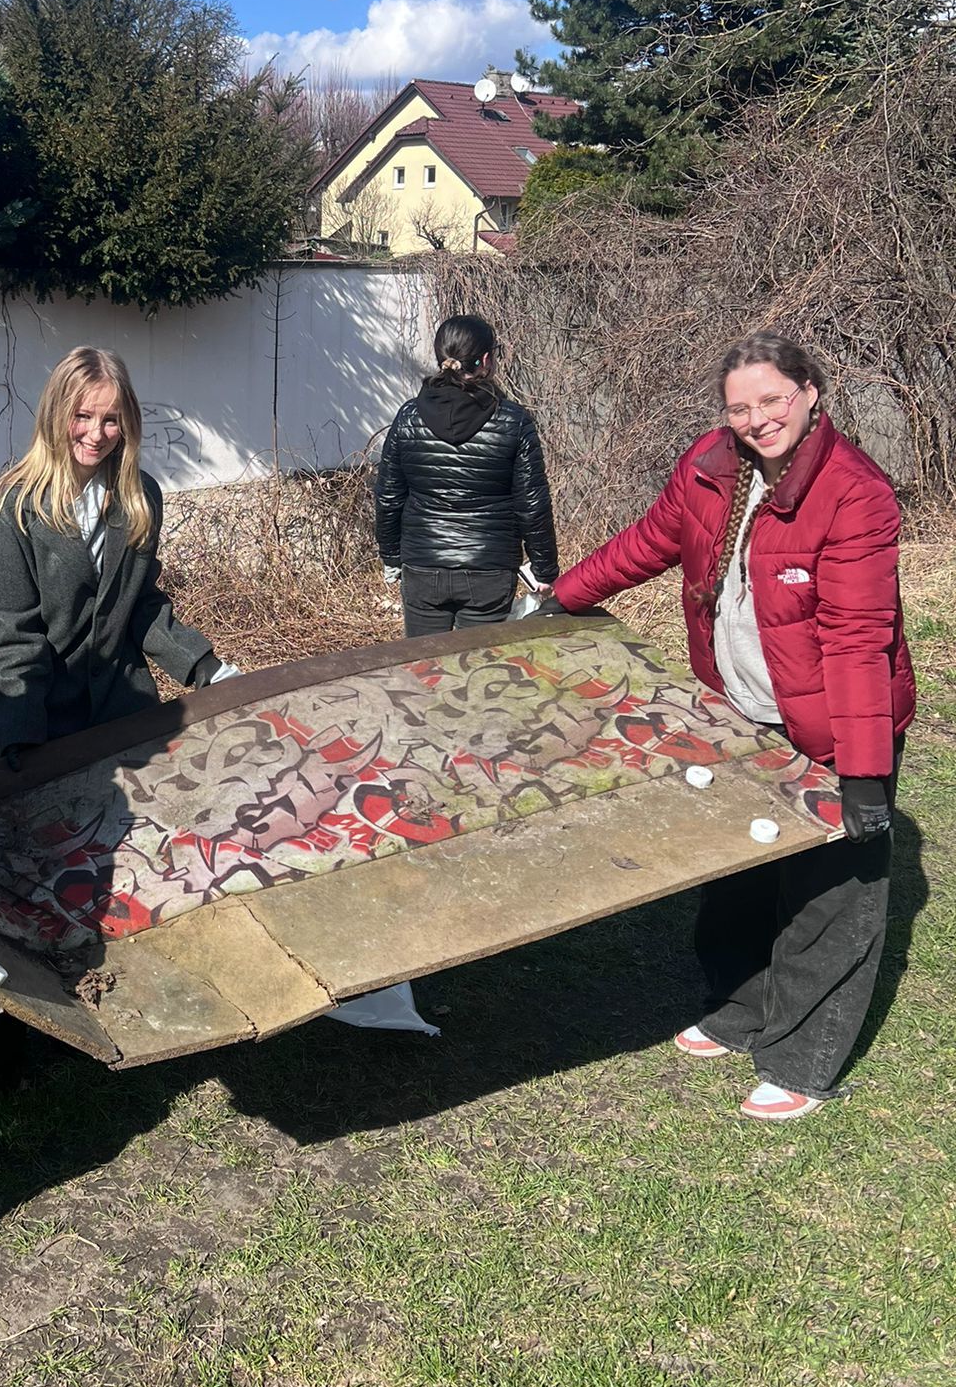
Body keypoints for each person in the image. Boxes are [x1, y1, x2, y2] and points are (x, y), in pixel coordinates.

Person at [552, 333, 916, 1120]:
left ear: (809, 393)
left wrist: (862, 770)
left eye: (772, 400)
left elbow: (859, 638)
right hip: (737, 713)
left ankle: (802, 1059)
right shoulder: (710, 467)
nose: (758, 420)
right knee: (739, 871)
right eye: (740, 407)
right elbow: (651, 540)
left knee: (830, 895)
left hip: (833, 726)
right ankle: (739, 1007)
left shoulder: (854, 493)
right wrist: (565, 597)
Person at [0, 346, 237, 1093]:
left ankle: (106, 1009)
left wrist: (205, 666)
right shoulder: (10, 509)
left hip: (122, 718)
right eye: (83, 416)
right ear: (56, 414)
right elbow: (8, 633)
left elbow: (141, 607)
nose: (97, 434)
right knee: (24, 888)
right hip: (36, 723)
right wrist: (18, 742)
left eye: (111, 419)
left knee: (120, 868)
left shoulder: (139, 497)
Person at [374, 313, 558, 634]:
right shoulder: (513, 421)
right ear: (485, 360)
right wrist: (544, 570)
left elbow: (389, 497)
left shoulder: (408, 417)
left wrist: (391, 557)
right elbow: (532, 504)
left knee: (427, 662)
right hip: (489, 570)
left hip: (423, 566)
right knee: (479, 663)